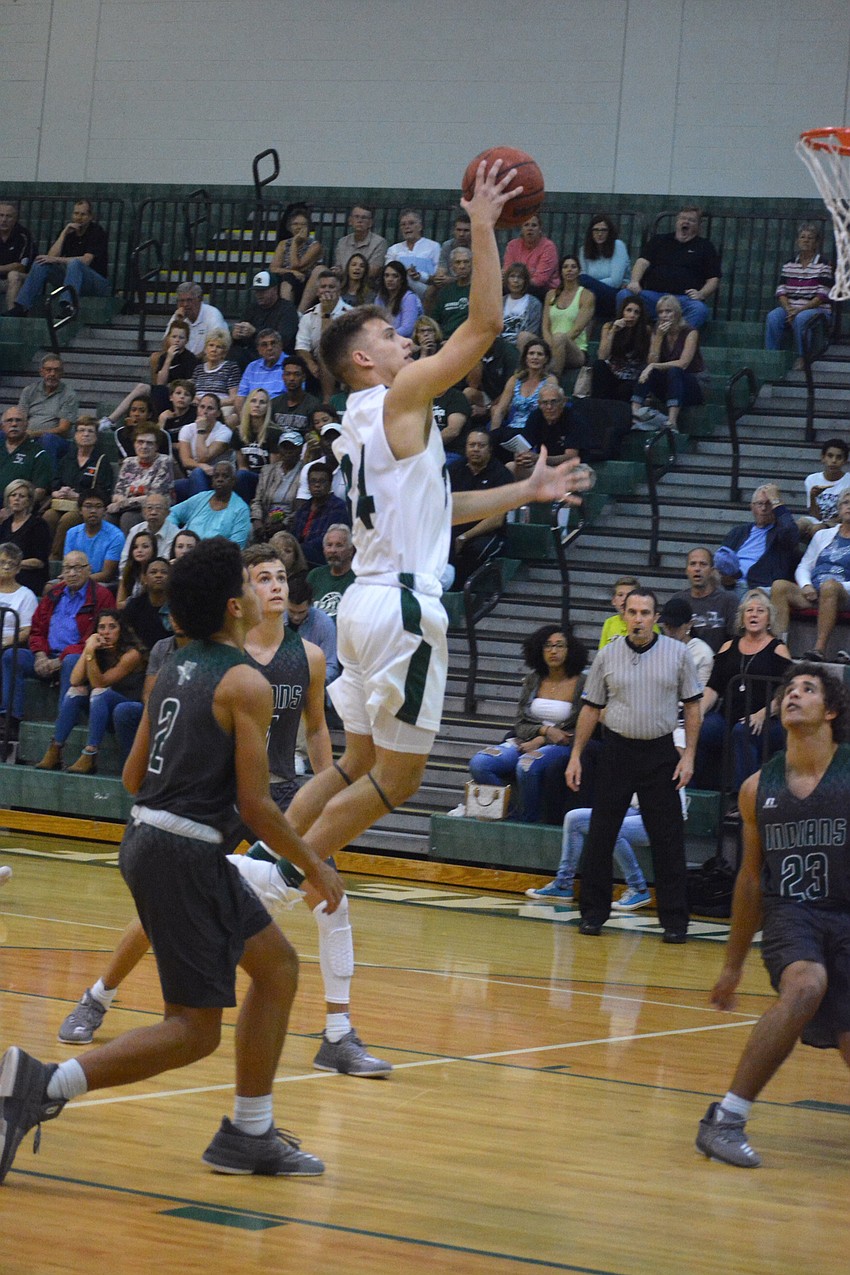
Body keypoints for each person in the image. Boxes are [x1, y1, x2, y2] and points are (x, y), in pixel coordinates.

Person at [0, 537, 345, 1186]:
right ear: (233, 604)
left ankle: (249, 1132)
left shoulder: (173, 668)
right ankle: (40, 1082)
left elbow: (133, 776)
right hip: (184, 850)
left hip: (153, 838)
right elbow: (255, 803)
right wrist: (314, 862)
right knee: (193, 1030)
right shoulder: (247, 682)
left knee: (276, 968)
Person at [284, 158, 588, 887]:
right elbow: (484, 325)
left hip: (362, 602)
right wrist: (483, 224)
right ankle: (286, 874)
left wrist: (524, 490)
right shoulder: (398, 395)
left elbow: (439, 511)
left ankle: (253, 857)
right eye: (392, 334)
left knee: (355, 761)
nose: (406, 341)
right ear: (364, 358)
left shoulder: (363, 419)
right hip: (403, 606)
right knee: (403, 778)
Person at [58, 545, 389, 1077]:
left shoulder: (304, 656)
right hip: (222, 809)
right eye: (261, 578)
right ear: (237, 600)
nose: (276, 586)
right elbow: (243, 800)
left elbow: (315, 728)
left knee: (322, 912)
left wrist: (326, 788)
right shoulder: (232, 671)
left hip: (272, 793)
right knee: (189, 985)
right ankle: (97, 997)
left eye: (283, 576)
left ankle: (337, 1032)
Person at [696, 664, 850, 1169]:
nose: (793, 695)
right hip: (793, 915)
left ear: (830, 711)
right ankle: (726, 1119)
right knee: (805, 985)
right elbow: (749, 880)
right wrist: (733, 964)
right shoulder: (757, 787)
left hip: (845, 916)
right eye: (789, 690)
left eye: (808, 689)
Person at [566, 588, 702, 942]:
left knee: (668, 839)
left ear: (656, 618)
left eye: (645, 613)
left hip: (660, 753)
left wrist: (688, 755)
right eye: (633, 612)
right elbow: (591, 708)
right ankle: (593, 915)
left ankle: (674, 922)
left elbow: (692, 706)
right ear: (623, 616)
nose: (639, 619)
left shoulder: (678, 653)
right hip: (617, 750)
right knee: (600, 834)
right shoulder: (607, 655)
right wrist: (576, 755)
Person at [467, 626, 587, 822]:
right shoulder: (533, 680)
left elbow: (580, 725)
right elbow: (520, 722)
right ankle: (512, 813)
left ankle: (529, 820)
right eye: (547, 646)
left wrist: (542, 739)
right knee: (480, 763)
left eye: (559, 646)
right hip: (525, 740)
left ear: (570, 649)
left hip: (562, 745)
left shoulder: (582, 682)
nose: (553, 651)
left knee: (526, 765)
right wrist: (544, 731)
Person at [0, 551, 113, 747]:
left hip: (81, 658)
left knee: (71, 660)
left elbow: (95, 637)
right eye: (67, 568)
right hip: (47, 655)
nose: (72, 573)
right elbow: (37, 629)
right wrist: (40, 655)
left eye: (78, 568)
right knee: (12, 656)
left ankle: (64, 723)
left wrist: (59, 660)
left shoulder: (101, 596)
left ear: (89, 570)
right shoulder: (54, 594)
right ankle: (10, 720)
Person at [694, 589, 791, 794]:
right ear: (742, 617)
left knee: (743, 731)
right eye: (749, 610)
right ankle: (692, 793)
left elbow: (786, 692)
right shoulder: (728, 646)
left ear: (769, 618)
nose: (753, 614)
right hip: (727, 716)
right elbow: (713, 687)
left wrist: (762, 713)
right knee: (699, 728)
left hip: (766, 720)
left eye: (760, 611)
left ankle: (744, 798)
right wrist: (700, 711)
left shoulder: (778, 649)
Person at [34, 608, 147, 775]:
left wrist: (89, 655)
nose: (106, 632)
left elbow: (100, 682)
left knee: (98, 692)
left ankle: (90, 753)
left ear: (121, 629)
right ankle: (55, 749)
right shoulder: (96, 650)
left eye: (112, 627)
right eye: (101, 627)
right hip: (101, 708)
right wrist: (89, 649)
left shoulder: (132, 654)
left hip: (128, 709)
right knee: (76, 691)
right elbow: (74, 680)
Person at [525, 796, 652, 910]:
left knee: (612, 828)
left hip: (655, 818)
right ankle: (563, 885)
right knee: (574, 818)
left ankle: (638, 888)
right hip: (630, 808)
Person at [772, 490, 850, 661]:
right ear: (839, 508)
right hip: (815, 591)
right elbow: (804, 566)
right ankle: (778, 647)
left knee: (829, 587)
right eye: (846, 503)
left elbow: (831, 587)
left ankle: (818, 649)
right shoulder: (823, 535)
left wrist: (830, 587)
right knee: (779, 586)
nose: (849, 507)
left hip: (844, 594)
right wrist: (806, 585)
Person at [619, 205, 721, 328]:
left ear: (699, 225)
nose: (686, 222)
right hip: (653, 296)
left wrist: (702, 294)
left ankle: (677, 338)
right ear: (677, 221)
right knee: (624, 295)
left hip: (682, 300)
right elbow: (642, 262)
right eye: (683, 218)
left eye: (691, 220)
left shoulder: (706, 247)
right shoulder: (659, 240)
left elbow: (713, 279)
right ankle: (627, 334)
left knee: (699, 309)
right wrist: (634, 281)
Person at [7, 198, 110, 316]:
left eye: (83, 214)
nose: (79, 217)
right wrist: (64, 233)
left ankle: (68, 306)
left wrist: (56, 260)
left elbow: (86, 260)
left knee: (75, 264)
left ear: (91, 217)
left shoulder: (96, 232)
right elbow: (50, 257)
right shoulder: (69, 232)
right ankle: (22, 306)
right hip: (72, 279)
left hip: (96, 282)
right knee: (42, 262)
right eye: (76, 213)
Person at [447, 429, 514, 588]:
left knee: (475, 550)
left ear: (490, 449)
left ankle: (464, 595)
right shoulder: (454, 470)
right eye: (472, 445)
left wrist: (464, 537)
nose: (475, 449)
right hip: (454, 529)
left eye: (481, 445)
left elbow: (496, 520)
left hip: (488, 533)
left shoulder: (501, 474)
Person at [630, 295, 704, 431]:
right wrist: (658, 338)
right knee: (648, 369)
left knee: (674, 370)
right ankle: (634, 414)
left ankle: (672, 422)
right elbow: (651, 362)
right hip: (668, 385)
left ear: (677, 313)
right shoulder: (657, 332)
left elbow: (683, 364)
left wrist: (653, 366)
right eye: (660, 312)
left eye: (668, 311)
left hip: (691, 383)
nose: (664, 315)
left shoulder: (690, 332)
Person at [764, 223, 833, 369]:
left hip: (817, 310)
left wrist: (798, 310)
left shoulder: (824, 264)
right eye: (802, 237)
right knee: (773, 316)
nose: (806, 240)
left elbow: (822, 295)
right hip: (792, 308)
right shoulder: (789, 264)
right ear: (797, 241)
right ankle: (771, 356)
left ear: (816, 243)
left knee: (802, 318)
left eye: (810, 238)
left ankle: (803, 357)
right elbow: (781, 291)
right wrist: (789, 309)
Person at [44, 416, 113, 560]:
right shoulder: (67, 459)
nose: (85, 434)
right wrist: (58, 492)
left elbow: (104, 493)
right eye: (81, 430)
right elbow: (54, 484)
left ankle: (55, 559)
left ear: (96, 437)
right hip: (62, 504)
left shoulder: (101, 461)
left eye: (90, 431)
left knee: (68, 520)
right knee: (48, 516)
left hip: (85, 507)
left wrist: (78, 496)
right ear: (75, 435)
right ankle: (43, 554)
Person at [718, 484, 799, 599]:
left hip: (761, 587)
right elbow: (722, 557)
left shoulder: (780, 533)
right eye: (760, 504)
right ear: (751, 507)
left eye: (769, 504)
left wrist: (776, 501)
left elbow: (791, 534)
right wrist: (726, 578)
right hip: (733, 585)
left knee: (751, 596)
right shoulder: (738, 532)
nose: (764, 508)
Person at [668, 546, 739, 654]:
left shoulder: (728, 600)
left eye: (703, 564)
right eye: (693, 564)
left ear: (711, 570)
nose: (697, 568)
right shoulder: (678, 600)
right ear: (686, 570)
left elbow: (736, 640)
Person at [107, 426, 174, 535]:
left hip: (154, 508)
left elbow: (153, 498)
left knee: (128, 517)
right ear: (134, 444)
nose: (144, 446)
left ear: (156, 446)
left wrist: (123, 503)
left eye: (149, 443)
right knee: (108, 515)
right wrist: (120, 501)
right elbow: (118, 492)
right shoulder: (128, 462)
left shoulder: (164, 461)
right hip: (127, 506)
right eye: (140, 442)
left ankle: (128, 551)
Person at [170, 459, 252, 548]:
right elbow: (172, 513)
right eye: (216, 476)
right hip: (186, 552)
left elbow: (237, 547)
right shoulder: (201, 498)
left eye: (225, 476)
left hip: (216, 558)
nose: (220, 479)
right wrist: (176, 536)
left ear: (234, 480)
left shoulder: (241, 509)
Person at [294, 273, 352, 397]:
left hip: (341, 360)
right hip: (314, 365)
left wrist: (326, 313)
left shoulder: (350, 314)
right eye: (323, 286)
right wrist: (310, 362)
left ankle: (327, 401)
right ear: (317, 291)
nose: (326, 290)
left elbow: (328, 343)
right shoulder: (308, 315)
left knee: (325, 354)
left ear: (339, 290)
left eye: (331, 287)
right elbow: (301, 346)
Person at [18, 354, 78, 467]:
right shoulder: (29, 391)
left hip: (56, 441)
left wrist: (34, 434)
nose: (52, 374)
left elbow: (63, 429)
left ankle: (48, 480)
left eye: (56, 370)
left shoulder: (69, 395)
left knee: (48, 440)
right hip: (28, 436)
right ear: (41, 372)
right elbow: (20, 418)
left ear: (62, 373)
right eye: (48, 370)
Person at [230, 271, 299, 370]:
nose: (259, 294)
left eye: (263, 291)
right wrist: (236, 336)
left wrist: (254, 333)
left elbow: (284, 339)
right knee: (233, 352)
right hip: (253, 355)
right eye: (257, 291)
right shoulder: (251, 309)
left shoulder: (287, 309)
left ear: (275, 290)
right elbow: (241, 342)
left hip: (278, 356)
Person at [489, 339, 559, 434]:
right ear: (525, 358)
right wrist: (493, 437)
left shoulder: (550, 380)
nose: (535, 357)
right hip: (514, 431)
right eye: (531, 353)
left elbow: (552, 410)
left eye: (540, 354)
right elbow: (500, 410)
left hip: (538, 431)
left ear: (546, 359)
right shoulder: (514, 380)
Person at [542, 255, 595, 378]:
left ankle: (553, 382)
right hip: (552, 345)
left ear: (579, 270)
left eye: (573, 267)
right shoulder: (550, 295)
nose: (569, 270)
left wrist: (554, 345)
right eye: (565, 267)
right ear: (561, 271)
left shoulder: (586, 295)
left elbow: (576, 330)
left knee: (559, 337)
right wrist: (551, 346)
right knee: (524, 337)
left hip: (575, 350)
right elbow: (545, 327)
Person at [590, 296, 651, 402]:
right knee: (599, 365)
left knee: (626, 388)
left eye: (636, 312)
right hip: (613, 375)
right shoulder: (609, 326)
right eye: (629, 310)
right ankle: (597, 406)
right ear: (622, 311)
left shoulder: (646, 330)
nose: (632, 315)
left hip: (632, 378)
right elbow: (602, 356)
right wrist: (613, 331)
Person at [174, 393, 233, 498]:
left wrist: (200, 430)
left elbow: (203, 457)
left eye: (210, 408)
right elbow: (186, 461)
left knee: (198, 472)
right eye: (202, 407)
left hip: (218, 478)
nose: (204, 411)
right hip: (194, 477)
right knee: (170, 487)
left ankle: (199, 513)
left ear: (218, 413)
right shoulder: (187, 429)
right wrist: (201, 466)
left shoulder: (224, 432)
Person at [292, 463, 350, 569]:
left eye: (322, 481)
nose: (317, 485)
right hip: (298, 557)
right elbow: (293, 535)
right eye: (313, 481)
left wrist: (297, 549)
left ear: (330, 484)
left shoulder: (338, 507)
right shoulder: (304, 508)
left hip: (323, 559)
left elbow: (326, 540)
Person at [250, 429, 304, 541]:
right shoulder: (267, 470)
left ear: (300, 450)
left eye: (292, 448)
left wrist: (283, 524)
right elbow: (257, 501)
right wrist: (257, 521)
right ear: (279, 449)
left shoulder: (305, 471)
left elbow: (301, 509)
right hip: (266, 519)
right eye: (285, 447)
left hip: (290, 522)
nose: (288, 451)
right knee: (250, 532)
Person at [0, 479, 51, 596]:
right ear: (8, 499)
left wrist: (13, 564)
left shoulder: (38, 525)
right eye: (13, 495)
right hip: (5, 574)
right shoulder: (5, 524)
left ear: (29, 501)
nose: (17, 499)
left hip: (29, 577)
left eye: (22, 496)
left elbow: (39, 562)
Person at [63, 489, 124, 587]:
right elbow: (68, 565)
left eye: (98, 507)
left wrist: (78, 580)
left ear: (105, 511)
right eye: (88, 506)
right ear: (80, 510)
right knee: (50, 588)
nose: (93, 511)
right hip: (73, 577)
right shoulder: (72, 533)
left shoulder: (116, 536)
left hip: (101, 583)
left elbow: (107, 574)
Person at [578, 213, 631, 319]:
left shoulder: (618, 245)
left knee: (584, 280)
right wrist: (591, 285)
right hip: (593, 293)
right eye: (596, 230)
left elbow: (616, 281)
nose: (599, 233)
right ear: (591, 232)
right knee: (588, 291)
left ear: (609, 232)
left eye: (603, 230)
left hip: (614, 293)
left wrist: (591, 283)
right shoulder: (584, 250)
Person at [798, 438, 850, 542]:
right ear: (823, 458)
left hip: (840, 521)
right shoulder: (812, 479)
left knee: (817, 530)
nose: (834, 461)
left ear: (844, 461)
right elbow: (814, 515)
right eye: (830, 456)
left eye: (838, 457)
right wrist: (813, 497)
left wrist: (824, 524)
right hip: (818, 519)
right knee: (796, 527)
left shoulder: (848, 480)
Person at [269, 204, 323, 304]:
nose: (299, 227)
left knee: (289, 278)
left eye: (303, 224)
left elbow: (296, 265)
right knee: (287, 278)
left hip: (307, 283)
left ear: (309, 227)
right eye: (295, 224)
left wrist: (294, 243)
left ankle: (298, 312)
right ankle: (287, 312)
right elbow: (273, 268)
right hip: (287, 280)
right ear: (289, 227)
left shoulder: (315, 246)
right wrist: (292, 272)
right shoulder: (283, 244)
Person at [0, 408, 52, 510]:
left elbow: (40, 491)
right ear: (2, 426)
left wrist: (12, 508)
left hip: (19, 509)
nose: (14, 424)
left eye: (18, 420)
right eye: (9, 420)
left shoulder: (38, 453)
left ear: (26, 424)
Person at [658, 595, 714, 687]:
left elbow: (702, 693)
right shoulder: (658, 647)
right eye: (667, 625)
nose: (671, 630)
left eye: (676, 626)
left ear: (689, 624)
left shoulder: (702, 653)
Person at [501, 215, 560, 298]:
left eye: (534, 225)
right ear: (521, 229)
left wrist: (518, 281)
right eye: (526, 225)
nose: (530, 228)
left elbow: (540, 280)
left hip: (543, 289)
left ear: (540, 229)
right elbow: (507, 271)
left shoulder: (548, 247)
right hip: (517, 284)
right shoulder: (512, 245)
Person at [385, 210, 441, 296]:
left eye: (411, 223)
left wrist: (419, 276)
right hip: (399, 292)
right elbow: (388, 273)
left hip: (428, 291)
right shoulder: (393, 249)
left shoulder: (433, 247)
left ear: (420, 227)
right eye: (403, 224)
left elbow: (438, 275)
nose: (407, 227)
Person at [118, 492, 178, 571]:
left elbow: (166, 563)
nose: (153, 512)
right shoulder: (135, 530)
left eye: (158, 508)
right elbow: (125, 560)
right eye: (149, 508)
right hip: (135, 577)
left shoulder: (175, 534)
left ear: (168, 513)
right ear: (143, 512)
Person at [121, 557, 171, 650]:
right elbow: (127, 631)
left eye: (164, 572)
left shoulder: (177, 606)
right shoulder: (134, 605)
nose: (158, 575)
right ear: (144, 578)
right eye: (153, 572)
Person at [307, 524, 356, 620]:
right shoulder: (315, 575)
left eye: (339, 545)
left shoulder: (358, 578)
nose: (333, 550)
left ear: (351, 550)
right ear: (324, 550)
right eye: (329, 545)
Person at [193, 330, 241, 425]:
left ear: (224, 352)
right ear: (206, 349)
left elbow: (233, 398)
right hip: (199, 406)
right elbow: (192, 393)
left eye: (218, 347)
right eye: (211, 345)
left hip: (221, 407)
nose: (214, 349)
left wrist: (212, 404)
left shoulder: (231, 367)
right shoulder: (198, 369)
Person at [166, 282, 226, 357]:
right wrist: (178, 322)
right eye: (182, 301)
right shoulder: (177, 316)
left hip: (205, 359)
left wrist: (192, 361)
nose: (185, 304)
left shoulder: (212, 314)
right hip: (182, 359)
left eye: (189, 300)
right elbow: (165, 346)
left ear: (200, 299)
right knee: (155, 357)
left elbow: (215, 346)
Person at [235, 331, 287, 412]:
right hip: (253, 414)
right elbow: (240, 398)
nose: (269, 348)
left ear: (281, 345)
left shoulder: (290, 364)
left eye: (273, 343)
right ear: (259, 350)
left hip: (279, 413)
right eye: (264, 345)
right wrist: (244, 420)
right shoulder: (252, 367)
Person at [426, 247, 472, 337]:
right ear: (452, 267)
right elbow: (434, 321)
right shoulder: (445, 292)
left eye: (466, 262)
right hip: (446, 341)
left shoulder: (479, 290)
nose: (462, 266)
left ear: (472, 264)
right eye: (458, 262)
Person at [269, 356, 320, 437]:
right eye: (288, 374)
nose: (292, 378)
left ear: (303, 377)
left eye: (297, 374)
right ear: (283, 377)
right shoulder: (274, 403)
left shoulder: (313, 405)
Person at [0, 544, 38, 653]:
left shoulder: (26, 595)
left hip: (7, 646)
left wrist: (4, 643)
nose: (6, 567)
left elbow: (26, 631)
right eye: (2, 562)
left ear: (18, 569)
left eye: (11, 564)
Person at [0, 200, 36, 309]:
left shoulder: (23, 235)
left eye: (8, 216)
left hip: (22, 279)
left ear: (15, 219)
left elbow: (20, 266)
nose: (4, 220)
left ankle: (12, 316)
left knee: (13, 275)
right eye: (1, 215)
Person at [501, 262, 543, 351]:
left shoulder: (534, 303)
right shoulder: (500, 301)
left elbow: (533, 331)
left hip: (525, 345)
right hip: (502, 345)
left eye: (520, 277)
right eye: (512, 276)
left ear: (525, 281)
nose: (515, 281)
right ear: (507, 280)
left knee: (523, 336)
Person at [375, 262, 422, 337]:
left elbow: (407, 329)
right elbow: (376, 323)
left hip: (405, 341)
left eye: (395, 276)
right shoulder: (380, 297)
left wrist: (385, 336)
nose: (390, 279)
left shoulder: (409, 297)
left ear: (402, 279)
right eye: (386, 275)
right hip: (386, 339)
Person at [116, 529, 157, 609]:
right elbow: (119, 605)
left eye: (145, 546)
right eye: (135, 547)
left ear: (154, 549)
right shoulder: (128, 571)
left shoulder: (158, 571)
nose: (139, 550)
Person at [598, 575, 641, 649]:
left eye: (629, 594)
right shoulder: (609, 622)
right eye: (620, 595)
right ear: (613, 600)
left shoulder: (648, 623)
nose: (624, 599)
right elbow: (601, 653)